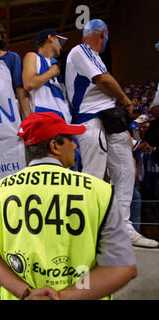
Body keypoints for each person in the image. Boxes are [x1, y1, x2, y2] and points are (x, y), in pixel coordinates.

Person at [0, 112, 137, 300]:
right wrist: (61, 297)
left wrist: (26, 293)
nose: (74, 145)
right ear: (55, 146)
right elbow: (122, 267)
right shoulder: (99, 191)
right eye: (70, 140)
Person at [64, 19, 158, 247]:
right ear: (103, 34)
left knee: (126, 171)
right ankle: (89, 231)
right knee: (93, 176)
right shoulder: (80, 50)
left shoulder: (95, 56)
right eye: (106, 36)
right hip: (89, 119)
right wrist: (126, 101)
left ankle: (124, 227)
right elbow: (102, 79)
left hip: (109, 119)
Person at [22, 29, 71, 123]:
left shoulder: (55, 67)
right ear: (50, 38)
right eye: (58, 41)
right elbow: (29, 83)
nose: (61, 46)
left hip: (62, 122)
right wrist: (51, 73)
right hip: (44, 121)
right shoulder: (33, 57)